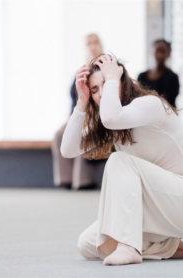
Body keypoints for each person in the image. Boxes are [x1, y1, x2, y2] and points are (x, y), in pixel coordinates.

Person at [62, 54, 183, 266]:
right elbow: (68, 149)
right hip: (159, 206)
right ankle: (171, 247)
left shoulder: (150, 105)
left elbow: (111, 117)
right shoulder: (112, 124)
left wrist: (113, 78)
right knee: (89, 243)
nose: (100, 94)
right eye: (95, 89)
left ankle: (129, 247)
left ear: (121, 80)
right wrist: (81, 102)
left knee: (119, 160)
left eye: (105, 83)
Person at [51, 33, 104, 190]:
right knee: (60, 134)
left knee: (84, 132)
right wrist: (72, 121)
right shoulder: (80, 72)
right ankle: (65, 178)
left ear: (101, 45)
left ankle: (82, 180)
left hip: (98, 116)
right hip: (81, 114)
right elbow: (74, 100)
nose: (92, 46)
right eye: (89, 44)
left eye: (95, 43)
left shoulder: (106, 69)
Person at [137, 39, 180, 107]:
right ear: (152, 52)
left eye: (162, 51)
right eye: (157, 50)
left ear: (168, 54)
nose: (159, 55)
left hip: (166, 115)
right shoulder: (142, 76)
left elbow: (168, 101)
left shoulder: (173, 77)